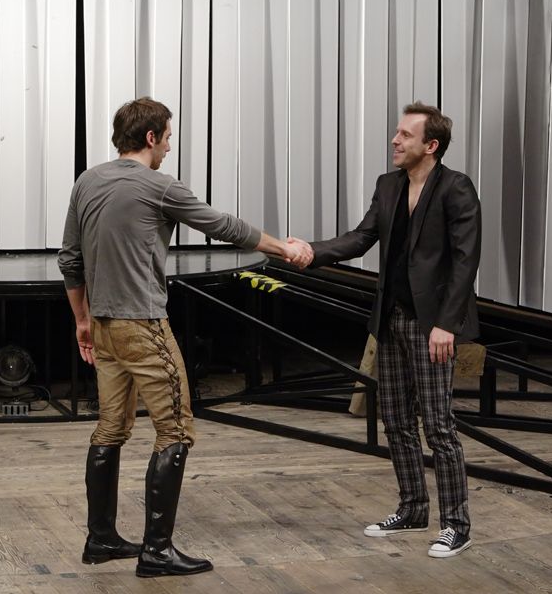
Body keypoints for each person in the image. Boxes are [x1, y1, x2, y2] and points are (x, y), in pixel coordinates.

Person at [58, 97, 307, 577]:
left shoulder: (87, 181)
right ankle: (157, 552)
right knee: (175, 430)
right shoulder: (159, 186)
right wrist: (283, 248)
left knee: (110, 429)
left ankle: (100, 538)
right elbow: (223, 225)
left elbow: (70, 259)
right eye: (168, 138)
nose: (169, 147)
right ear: (151, 137)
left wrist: (82, 320)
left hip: (104, 325)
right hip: (143, 326)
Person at [289, 102, 481, 558]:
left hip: (431, 325)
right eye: (397, 133)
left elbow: (465, 260)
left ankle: (457, 524)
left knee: (438, 426)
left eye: (405, 135)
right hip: (390, 319)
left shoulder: (455, 188)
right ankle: (413, 508)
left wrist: (446, 324)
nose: (395, 140)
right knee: (395, 419)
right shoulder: (389, 184)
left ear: (430, 145)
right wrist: (310, 250)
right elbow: (361, 238)